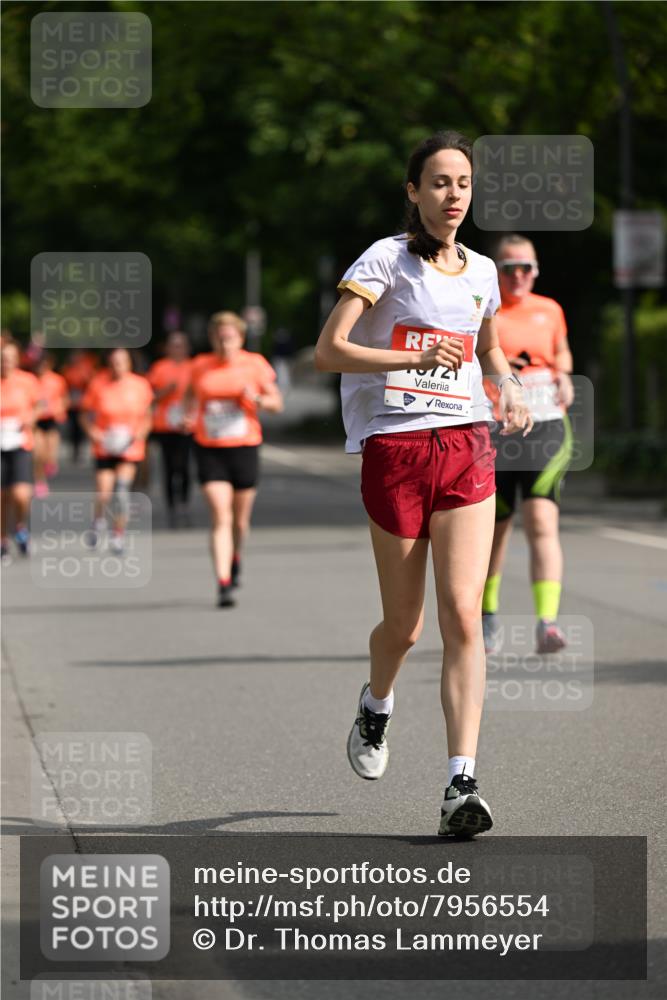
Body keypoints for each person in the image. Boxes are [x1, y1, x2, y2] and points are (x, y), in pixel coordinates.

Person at [314, 131, 532, 837]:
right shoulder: (385, 258)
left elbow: (488, 343)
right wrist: (407, 356)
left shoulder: (480, 271)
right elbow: (329, 350)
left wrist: (507, 384)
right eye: (438, 182)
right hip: (397, 449)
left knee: (463, 617)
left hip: (466, 444)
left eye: (462, 183)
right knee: (403, 629)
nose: (452, 196)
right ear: (413, 192)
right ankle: (376, 706)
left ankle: (458, 784)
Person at [481, 234, 574, 656]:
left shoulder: (550, 309)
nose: (518, 276)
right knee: (494, 531)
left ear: (536, 271)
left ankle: (547, 623)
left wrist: (565, 375)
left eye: (526, 268)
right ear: (495, 270)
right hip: (495, 429)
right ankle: (487, 617)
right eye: (508, 268)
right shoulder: (485, 308)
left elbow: (562, 353)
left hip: (546, 425)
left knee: (541, 522)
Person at [187, 311, 283, 607]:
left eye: (229, 337)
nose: (224, 342)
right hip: (209, 447)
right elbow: (190, 401)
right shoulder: (200, 366)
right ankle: (223, 581)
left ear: (239, 338)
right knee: (221, 515)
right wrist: (186, 417)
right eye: (218, 337)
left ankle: (236, 555)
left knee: (240, 522)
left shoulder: (254, 364)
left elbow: (276, 404)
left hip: (244, 447)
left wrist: (256, 399)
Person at [79, 347, 153, 554]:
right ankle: (98, 521)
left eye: (121, 361)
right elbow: (84, 414)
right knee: (104, 492)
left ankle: (118, 533)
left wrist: (140, 433)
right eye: (113, 362)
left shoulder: (140, 385)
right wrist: (93, 432)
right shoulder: (98, 383)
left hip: (129, 447)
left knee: (121, 491)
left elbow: (147, 415)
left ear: (129, 363)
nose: (117, 366)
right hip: (105, 446)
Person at [1, 340, 43, 559]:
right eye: (2, 358)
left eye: (9, 358)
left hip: (20, 442)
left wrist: (30, 419)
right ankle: (2, 539)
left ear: (16, 359)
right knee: (1, 496)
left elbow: (39, 405)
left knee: (20, 494)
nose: (5, 362)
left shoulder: (27, 381)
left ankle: (19, 527)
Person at [147, 332, 193, 527]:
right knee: (168, 467)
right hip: (165, 425)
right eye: (173, 345)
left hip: (186, 423)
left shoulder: (194, 367)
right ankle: (171, 506)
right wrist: (166, 391)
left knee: (184, 466)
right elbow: (148, 396)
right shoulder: (159, 368)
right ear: (167, 348)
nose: (177, 349)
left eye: (181, 345)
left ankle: (183, 503)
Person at [33, 352, 69, 497]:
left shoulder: (57, 380)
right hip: (37, 420)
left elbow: (64, 399)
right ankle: (40, 481)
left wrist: (60, 409)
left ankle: (50, 463)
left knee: (50, 453)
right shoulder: (32, 380)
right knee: (38, 453)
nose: (42, 367)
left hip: (52, 419)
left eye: (45, 364)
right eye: (39, 364)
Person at [62, 349, 98, 463]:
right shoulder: (67, 369)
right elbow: (65, 385)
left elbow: (91, 383)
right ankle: (75, 450)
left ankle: (80, 450)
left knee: (81, 429)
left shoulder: (87, 368)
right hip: (72, 403)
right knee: (73, 429)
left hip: (83, 402)